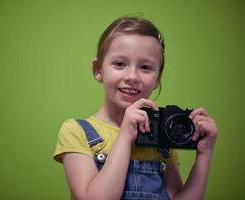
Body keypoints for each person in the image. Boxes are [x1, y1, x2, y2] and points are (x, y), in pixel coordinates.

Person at [53, 16, 217, 200]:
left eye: (145, 67)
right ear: (98, 69)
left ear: (157, 80)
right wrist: (125, 135)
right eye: (120, 64)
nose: (132, 76)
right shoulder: (76, 131)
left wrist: (204, 155)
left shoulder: (162, 140)